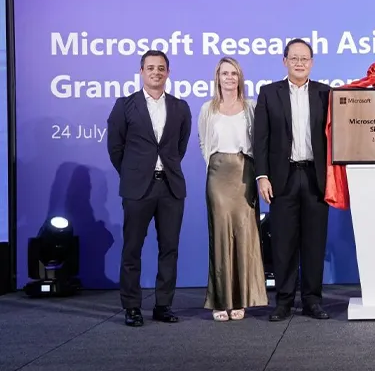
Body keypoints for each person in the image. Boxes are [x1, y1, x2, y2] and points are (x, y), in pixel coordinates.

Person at [107, 50, 192, 327]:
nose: (156, 72)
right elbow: (115, 148)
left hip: (170, 188)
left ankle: (163, 305)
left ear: (168, 72)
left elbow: (179, 147)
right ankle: (131, 306)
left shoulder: (180, 107)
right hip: (137, 189)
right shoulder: (125, 105)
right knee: (132, 248)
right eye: (151, 67)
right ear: (141, 71)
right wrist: (133, 173)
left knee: (169, 249)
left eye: (161, 68)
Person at [253, 38, 332, 322]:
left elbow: (335, 138)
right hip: (282, 178)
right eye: (294, 58)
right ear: (284, 61)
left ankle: (312, 300)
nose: (300, 63)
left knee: (314, 242)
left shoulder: (326, 93)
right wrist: (262, 176)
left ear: (312, 62)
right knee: (283, 242)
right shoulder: (268, 93)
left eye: (305, 58)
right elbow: (259, 139)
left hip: (315, 178)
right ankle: (284, 301)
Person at [198, 57, 269, 321]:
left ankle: (240, 299)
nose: (229, 78)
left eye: (234, 74)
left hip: (245, 174)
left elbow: (258, 142)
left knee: (245, 235)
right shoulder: (208, 108)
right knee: (220, 237)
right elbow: (204, 143)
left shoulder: (250, 107)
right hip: (218, 175)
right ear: (217, 77)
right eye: (224, 73)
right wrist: (217, 164)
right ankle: (220, 301)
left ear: (240, 78)